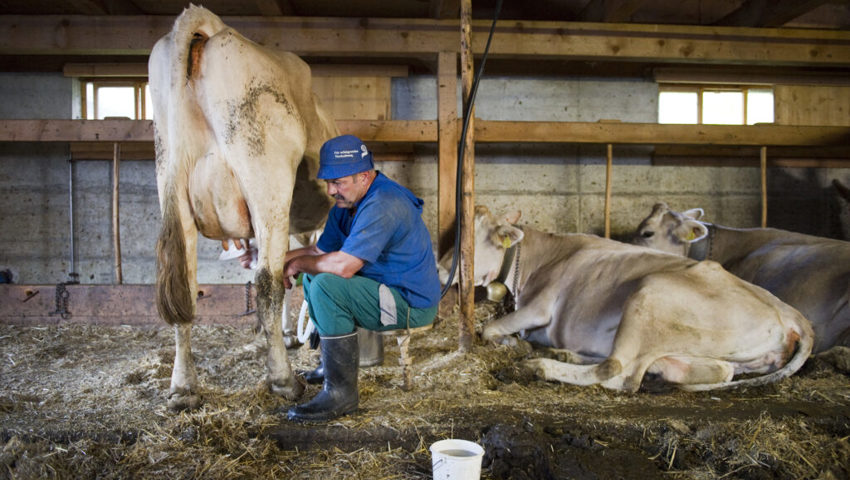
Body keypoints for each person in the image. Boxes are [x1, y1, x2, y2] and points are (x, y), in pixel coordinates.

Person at [281, 134, 441, 422]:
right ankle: (331, 367)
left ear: (364, 177)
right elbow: (319, 251)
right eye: (328, 182)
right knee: (312, 277)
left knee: (328, 286)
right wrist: (279, 261)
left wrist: (300, 263)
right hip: (382, 290)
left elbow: (344, 266)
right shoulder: (347, 206)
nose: (330, 190)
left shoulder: (384, 203)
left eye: (338, 182)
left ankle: (342, 394)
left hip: (408, 303)